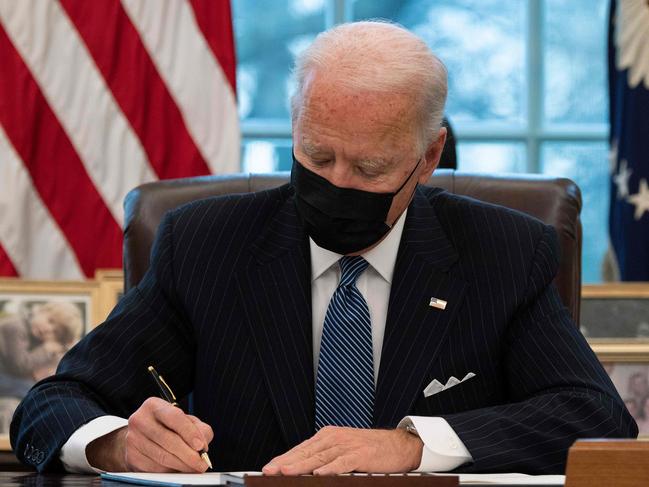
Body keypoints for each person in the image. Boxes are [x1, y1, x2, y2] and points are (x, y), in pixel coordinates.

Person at [11, 21, 636, 475]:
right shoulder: (204, 245)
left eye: (370, 168)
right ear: (294, 128)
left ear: (428, 158)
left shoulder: (503, 252)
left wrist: (416, 445)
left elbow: (595, 416)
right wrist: (115, 443)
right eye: (317, 155)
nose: (337, 183)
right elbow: (50, 405)